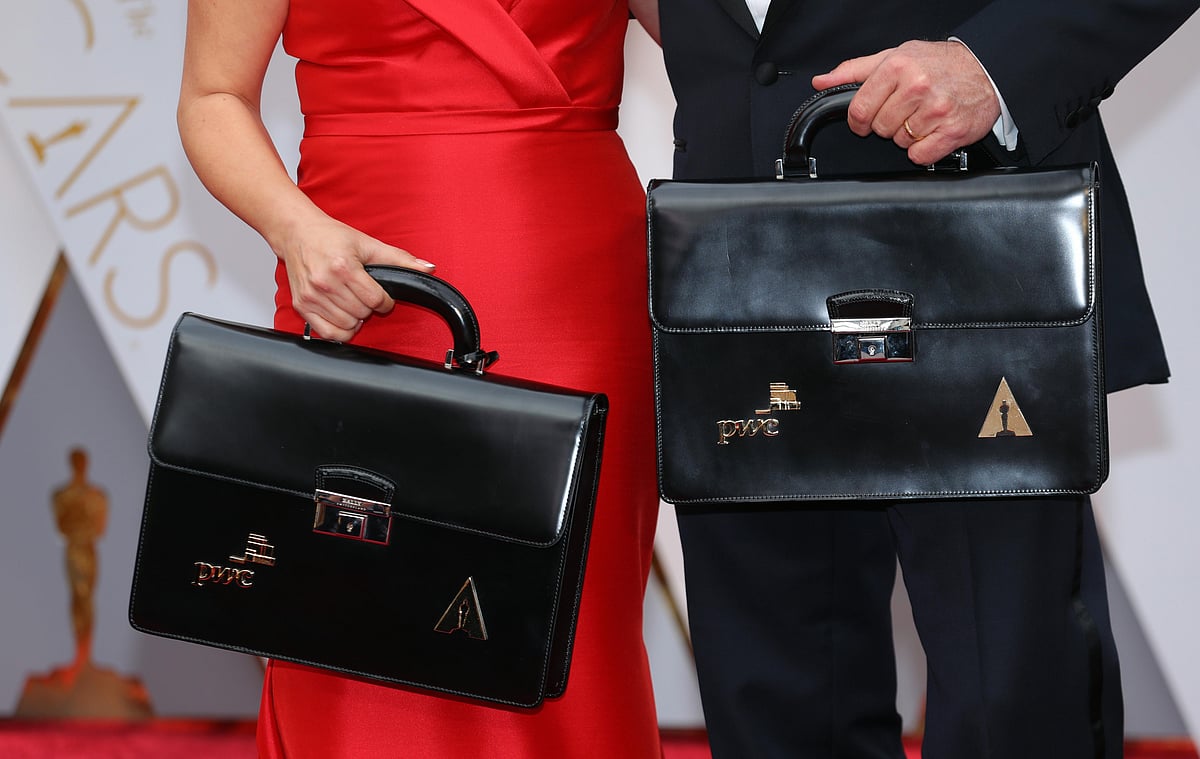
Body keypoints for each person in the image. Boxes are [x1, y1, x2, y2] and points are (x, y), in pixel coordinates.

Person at [634, 0, 1198, 757]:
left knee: (1014, 705)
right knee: (775, 712)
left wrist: (991, 65)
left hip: (976, 262)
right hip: (735, 271)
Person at [176, 2, 663, 756]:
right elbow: (213, 95)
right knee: (347, 615)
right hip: (357, 282)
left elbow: (731, 37)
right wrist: (295, 229)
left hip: (573, 286)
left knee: (566, 619)